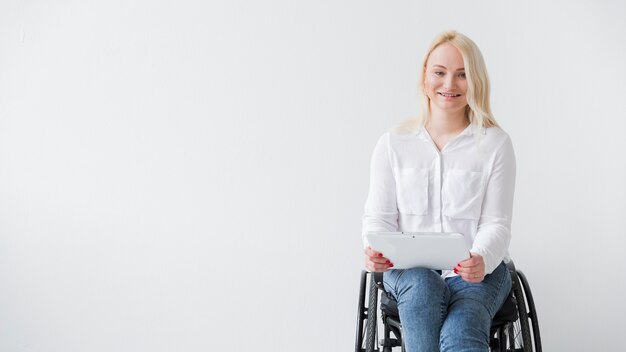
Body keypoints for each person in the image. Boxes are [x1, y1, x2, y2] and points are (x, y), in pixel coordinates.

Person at [362, 30, 516, 352]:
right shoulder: (393, 144)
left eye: (462, 75)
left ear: (476, 81)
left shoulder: (495, 145)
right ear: (424, 78)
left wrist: (481, 258)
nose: (450, 84)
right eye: (440, 73)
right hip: (410, 272)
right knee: (422, 285)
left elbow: (496, 224)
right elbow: (378, 218)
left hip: (475, 273)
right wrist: (373, 249)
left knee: (462, 331)